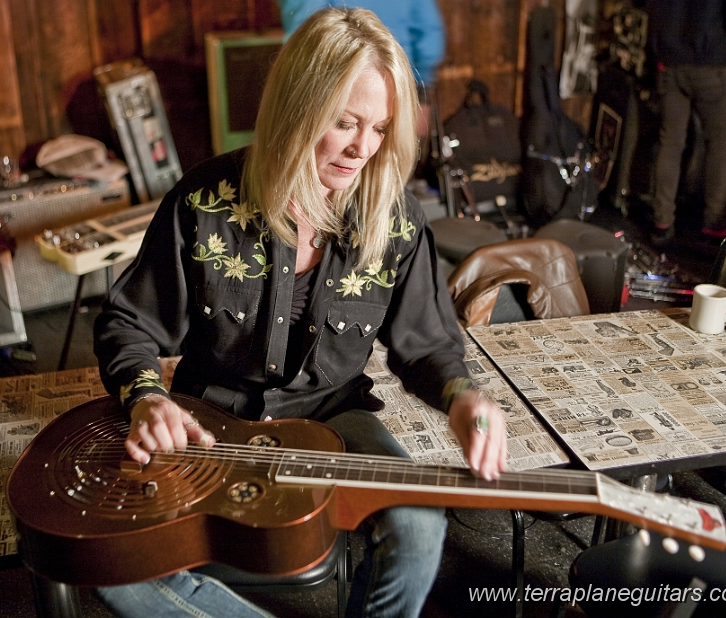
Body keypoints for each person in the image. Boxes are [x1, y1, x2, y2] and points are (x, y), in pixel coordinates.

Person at [93, 8, 507, 618]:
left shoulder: (396, 220)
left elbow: (428, 343)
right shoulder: (204, 201)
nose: (363, 149)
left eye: (379, 128)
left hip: (334, 413)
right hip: (211, 418)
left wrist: (462, 395)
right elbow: (129, 322)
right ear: (297, 107)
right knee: (106, 560)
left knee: (420, 525)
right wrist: (147, 399)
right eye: (344, 123)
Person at [645, 0, 726, 248]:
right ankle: (713, 226)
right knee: (719, 147)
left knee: (670, 144)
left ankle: (662, 223)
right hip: (712, 63)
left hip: (669, 62)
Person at [278, 0, 445, 137]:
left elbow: (306, 36)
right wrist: (422, 94)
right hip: (396, 89)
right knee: (392, 168)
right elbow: (427, 31)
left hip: (336, 90)